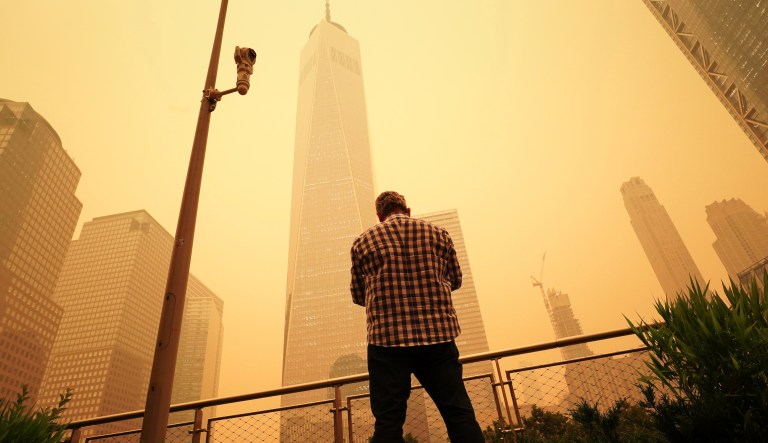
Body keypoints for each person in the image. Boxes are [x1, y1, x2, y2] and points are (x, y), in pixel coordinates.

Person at [350, 191, 484, 443]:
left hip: (386, 343)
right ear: (407, 210)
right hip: (438, 338)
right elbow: (455, 280)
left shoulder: (363, 241)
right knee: (458, 413)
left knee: (388, 423)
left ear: (380, 216)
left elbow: (358, 295)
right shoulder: (438, 234)